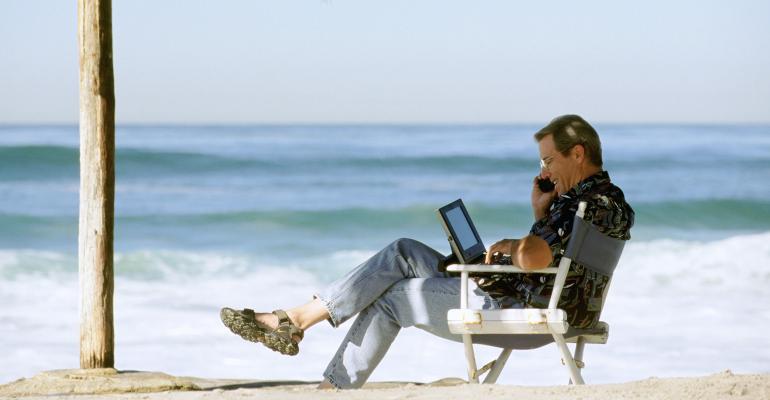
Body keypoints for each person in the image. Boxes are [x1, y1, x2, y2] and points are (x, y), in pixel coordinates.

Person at [220, 115, 634, 389]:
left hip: (520, 309)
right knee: (403, 251)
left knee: (395, 298)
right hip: (544, 300)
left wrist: (512, 246)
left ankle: (333, 387)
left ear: (577, 153)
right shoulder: (609, 202)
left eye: (548, 160)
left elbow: (536, 259)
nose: (543, 172)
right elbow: (560, 262)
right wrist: (539, 214)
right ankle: (295, 319)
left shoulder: (584, 205)